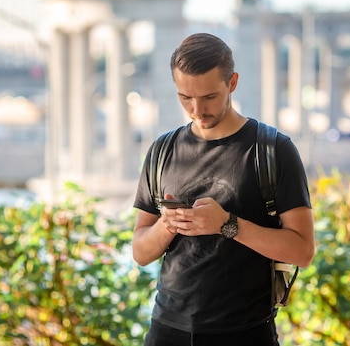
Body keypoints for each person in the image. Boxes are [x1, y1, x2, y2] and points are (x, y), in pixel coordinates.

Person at [132, 33, 315, 346]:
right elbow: (140, 252)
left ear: (232, 83)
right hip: (167, 330)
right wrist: (168, 225)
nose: (196, 109)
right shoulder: (162, 150)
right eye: (184, 97)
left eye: (208, 97)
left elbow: (303, 251)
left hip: (245, 333)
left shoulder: (273, 149)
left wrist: (228, 225)